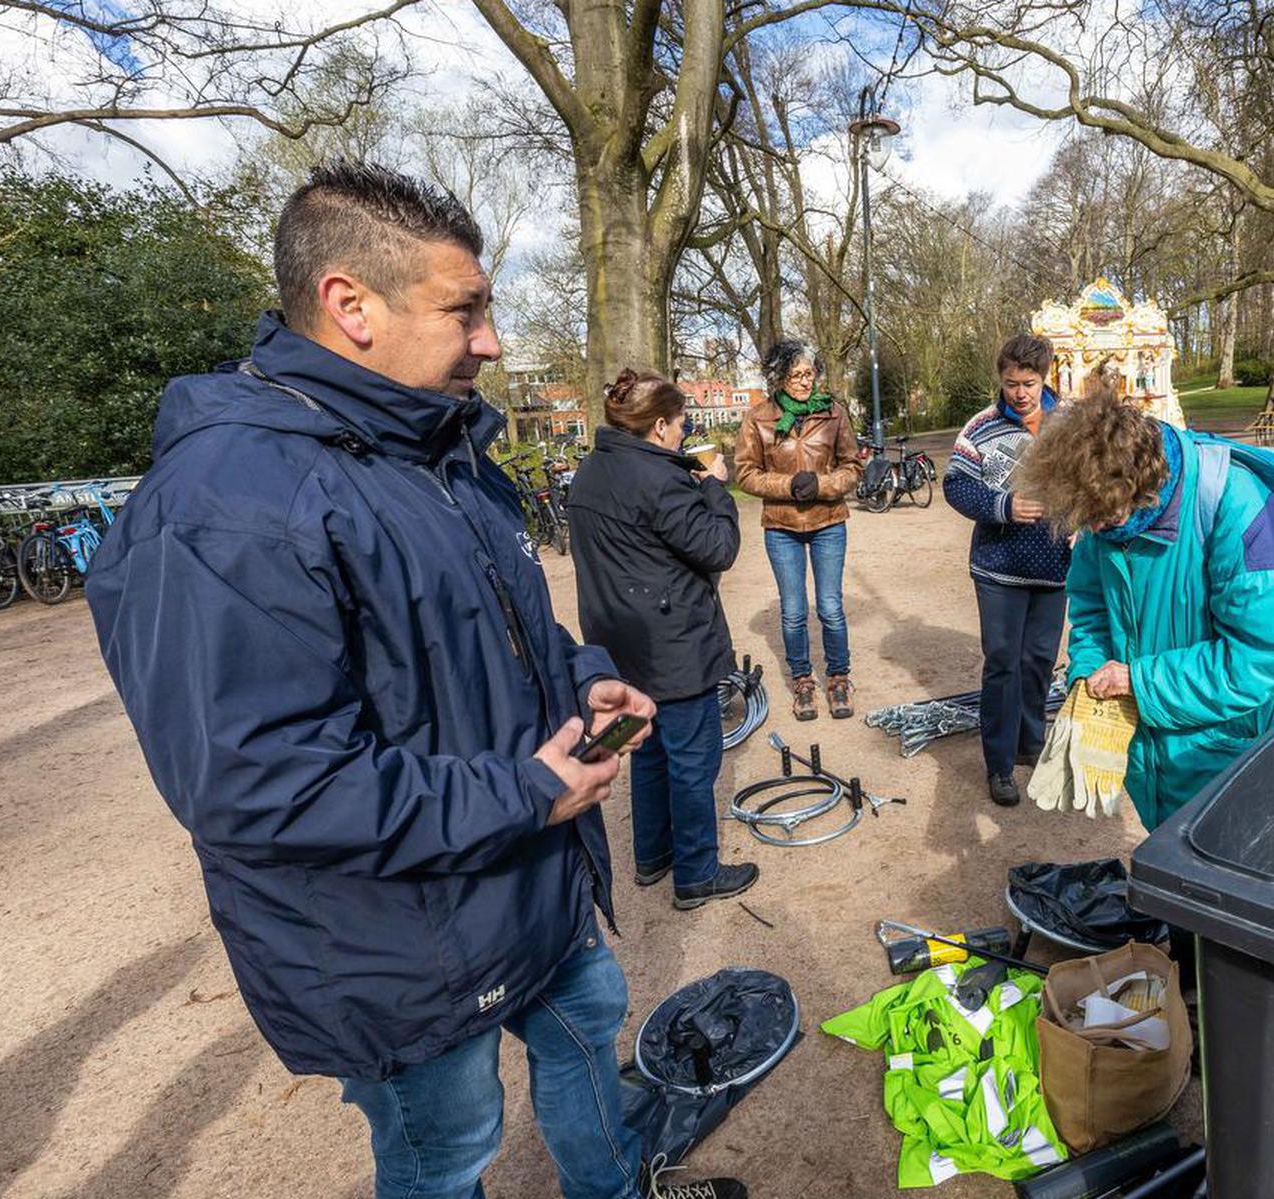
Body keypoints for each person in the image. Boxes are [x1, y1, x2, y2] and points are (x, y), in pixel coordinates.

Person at [83, 161, 744, 1198]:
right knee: (446, 1151)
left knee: (588, 1046)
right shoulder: (223, 506)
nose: (489, 341)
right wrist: (523, 790)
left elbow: (491, 633)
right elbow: (257, 781)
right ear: (350, 303)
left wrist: (586, 681)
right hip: (397, 946)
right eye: (464, 310)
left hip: (535, 882)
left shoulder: (446, 450)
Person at [1013, 382, 1274, 831]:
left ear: (1142, 488)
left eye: (1101, 518)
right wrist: (1088, 677)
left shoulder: (1236, 508)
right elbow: (1093, 606)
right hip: (1171, 730)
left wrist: (1137, 680)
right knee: (1179, 853)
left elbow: (1259, 657)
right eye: (1084, 520)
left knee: (1240, 859)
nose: (1092, 528)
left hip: (1250, 733)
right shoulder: (1105, 510)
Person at [567, 369, 759, 910]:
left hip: (616, 644)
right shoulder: (661, 479)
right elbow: (718, 548)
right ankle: (697, 872)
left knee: (647, 751)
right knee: (693, 759)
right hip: (673, 643)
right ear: (658, 427)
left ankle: (652, 855)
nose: (683, 433)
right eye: (680, 424)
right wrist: (715, 486)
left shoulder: (589, 472)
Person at [944, 333, 1072, 807]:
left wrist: (1084, 520)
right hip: (998, 570)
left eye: (1029, 383)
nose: (1019, 392)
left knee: (1038, 662)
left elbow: (1096, 479)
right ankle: (998, 764)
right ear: (1000, 378)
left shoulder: (1070, 424)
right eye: (1011, 382)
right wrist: (1002, 504)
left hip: (1055, 568)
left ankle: (1029, 743)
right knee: (1002, 665)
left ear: (1046, 377)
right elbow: (955, 486)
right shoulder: (980, 428)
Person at [734, 340, 863, 721]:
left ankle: (839, 677)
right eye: (796, 375)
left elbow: (852, 466)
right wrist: (787, 486)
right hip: (781, 526)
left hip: (828, 523)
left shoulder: (833, 413)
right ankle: (803, 681)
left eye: (809, 374)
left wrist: (821, 485)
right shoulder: (758, 418)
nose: (805, 382)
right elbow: (744, 473)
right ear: (779, 378)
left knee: (830, 607)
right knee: (792, 612)